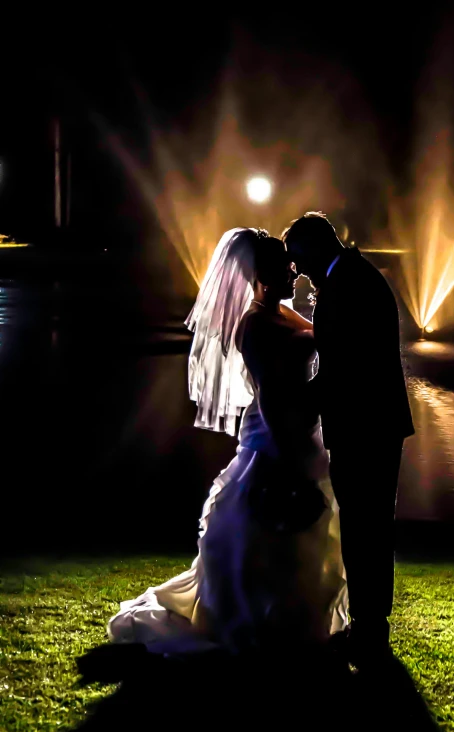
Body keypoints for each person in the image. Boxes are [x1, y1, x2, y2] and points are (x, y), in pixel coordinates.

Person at [108, 228, 347, 654]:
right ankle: (257, 623)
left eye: (292, 265)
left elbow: (320, 336)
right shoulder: (254, 326)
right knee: (269, 529)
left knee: (298, 540)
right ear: (260, 274)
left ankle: (293, 622)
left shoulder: (284, 313)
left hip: (302, 428)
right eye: (283, 267)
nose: (294, 272)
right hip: (278, 438)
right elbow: (273, 400)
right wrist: (290, 460)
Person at [282, 212, 414, 664]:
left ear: (316, 247)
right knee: (368, 529)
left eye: (298, 258)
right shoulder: (353, 277)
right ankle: (369, 627)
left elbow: (344, 367)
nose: (297, 271)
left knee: (366, 530)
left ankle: (370, 631)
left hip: (366, 427)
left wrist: (294, 404)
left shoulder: (349, 284)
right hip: (371, 424)